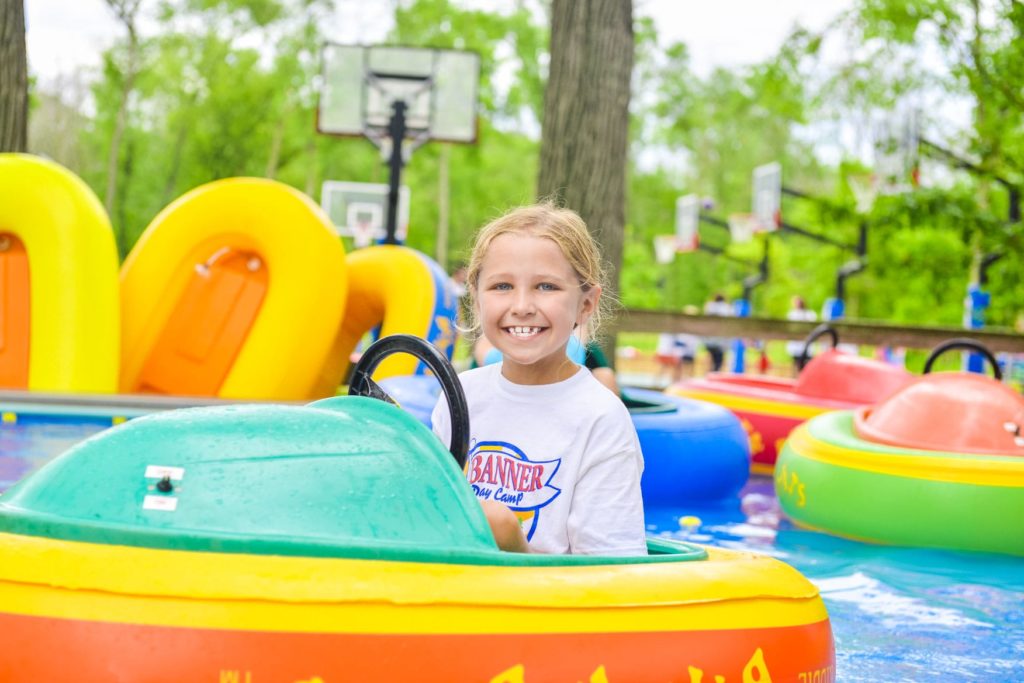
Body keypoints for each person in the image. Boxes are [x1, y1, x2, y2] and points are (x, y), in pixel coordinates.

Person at [432, 204, 646, 556]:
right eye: (501, 286)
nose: (522, 306)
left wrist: (509, 543)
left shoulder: (601, 418)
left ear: (586, 304)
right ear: (476, 297)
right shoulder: (460, 396)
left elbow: (612, 574)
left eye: (546, 286)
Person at [786, 296, 817, 373]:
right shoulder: (793, 314)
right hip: (796, 346)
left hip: (805, 345)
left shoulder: (809, 314)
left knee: (806, 365)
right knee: (797, 364)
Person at [703, 293, 732, 372]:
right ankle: (715, 373)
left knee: (711, 359)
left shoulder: (710, 306)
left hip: (710, 339)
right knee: (718, 361)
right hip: (720, 341)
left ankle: (709, 373)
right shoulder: (726, 308)